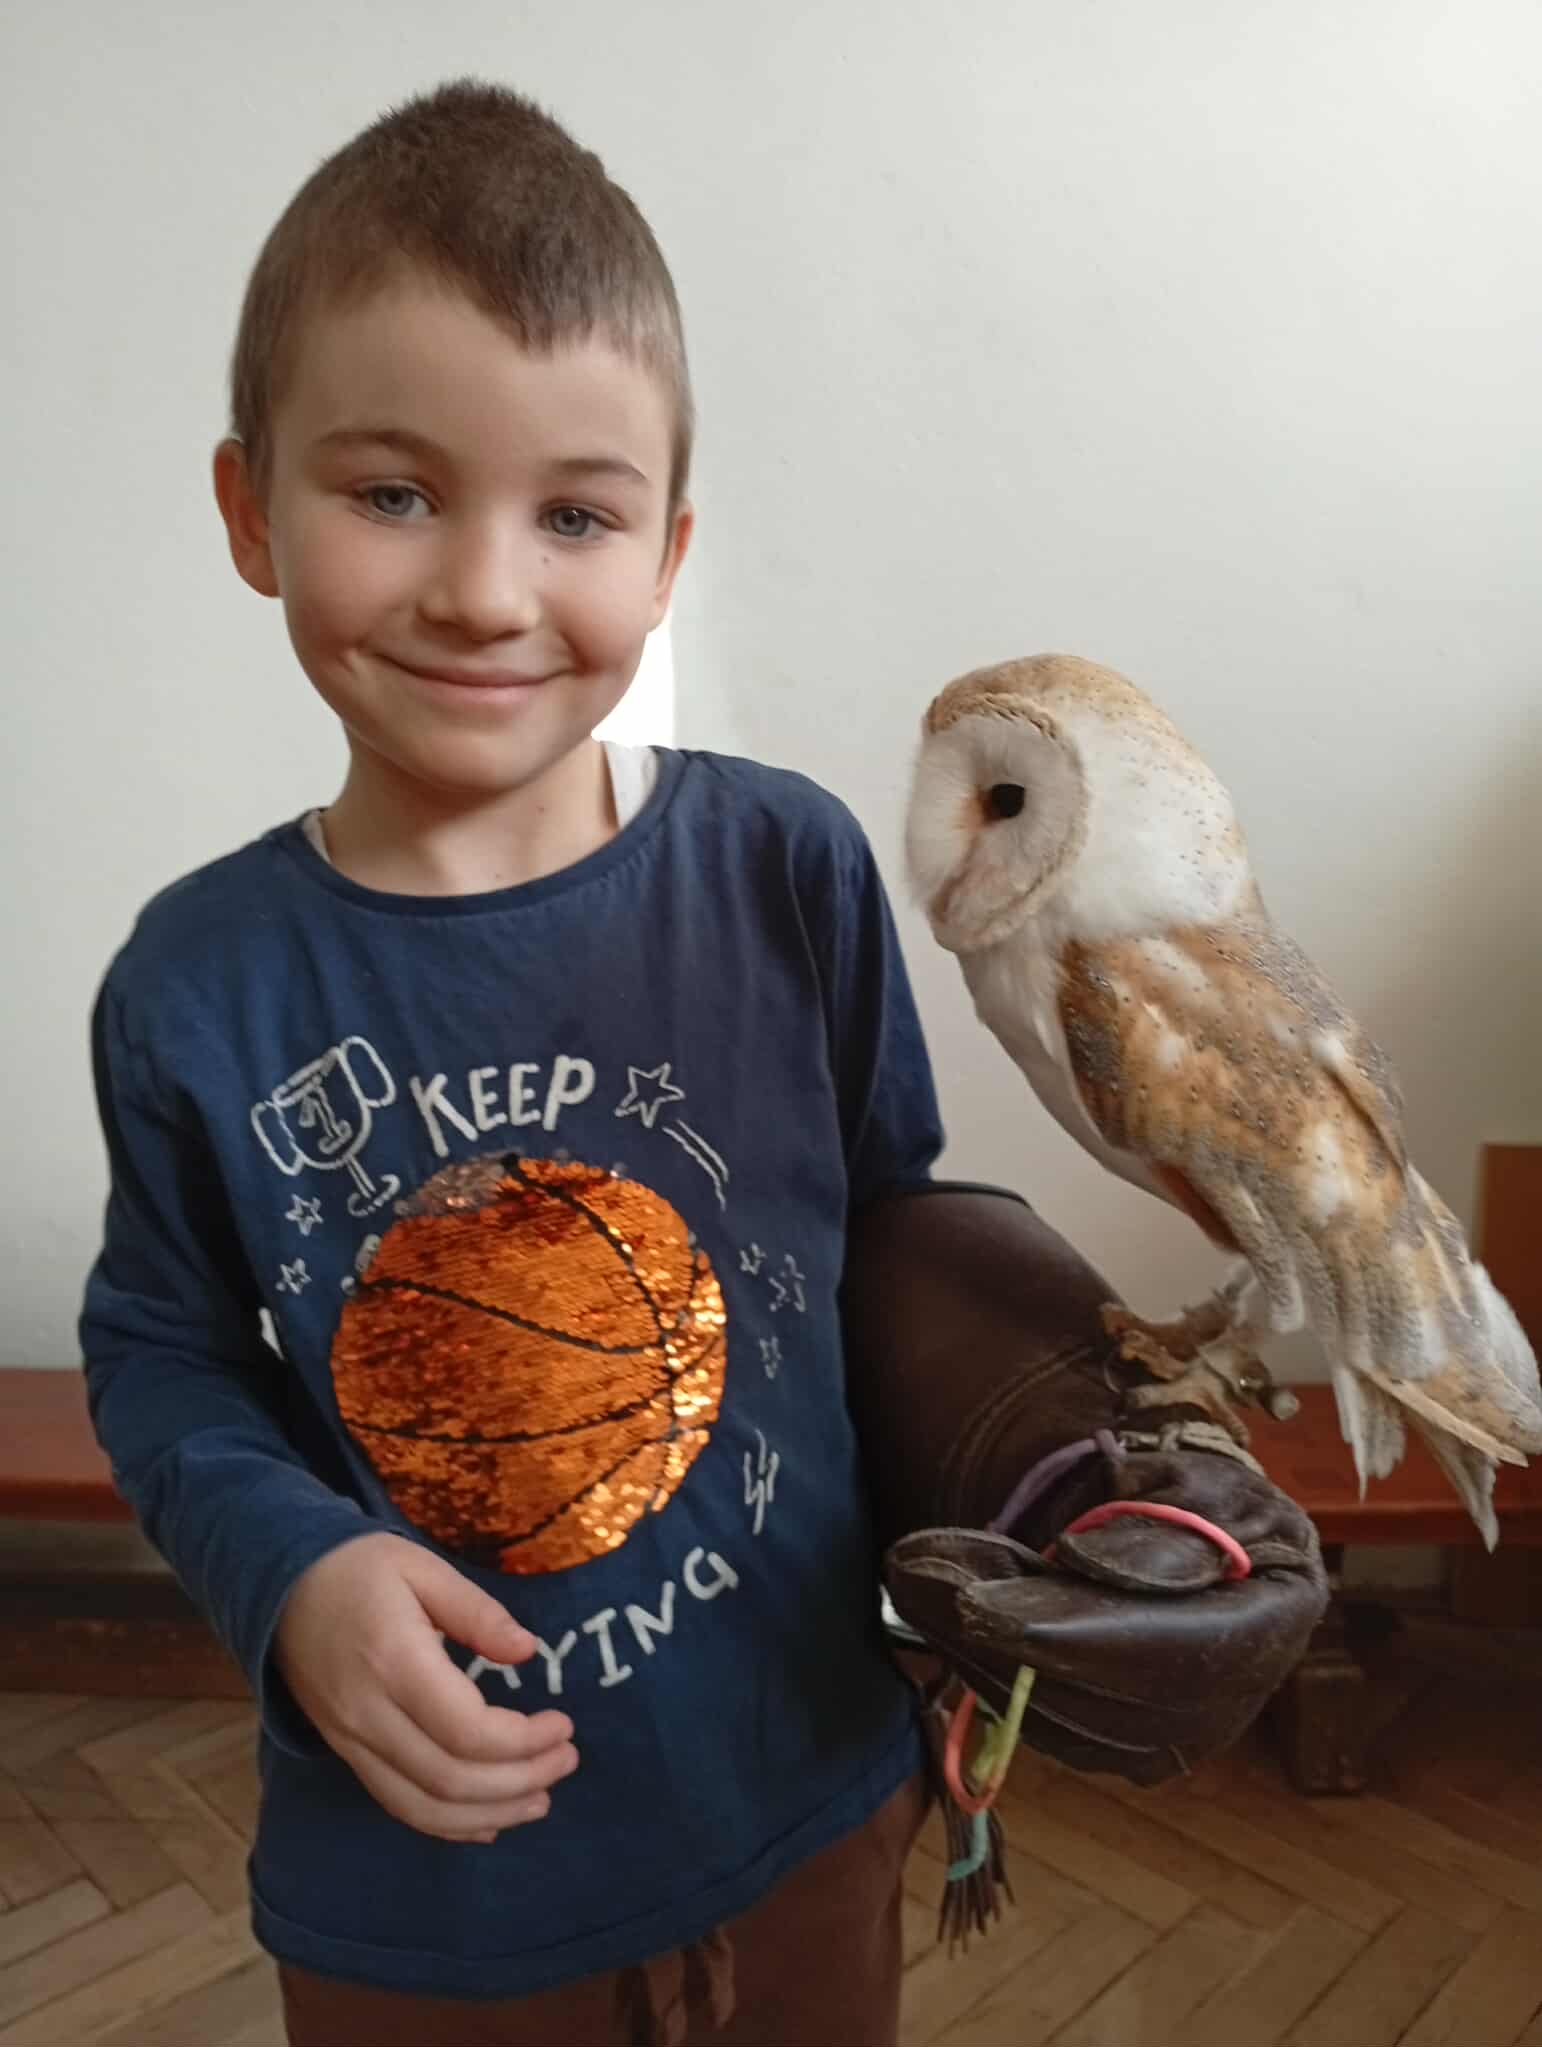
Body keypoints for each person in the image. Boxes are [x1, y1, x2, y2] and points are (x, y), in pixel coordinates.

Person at [81, 77, 1326, 2047]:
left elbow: (892, 1239)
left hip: (805, 1799)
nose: (486, 587)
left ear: (665, 555)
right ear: (251, 510)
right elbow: (163, 1352)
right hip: (436, 1882)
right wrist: (290, 1571)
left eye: (573, 514)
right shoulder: (199, 981)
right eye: (391, 493)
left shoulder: (784, 868)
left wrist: (1071, 1461)